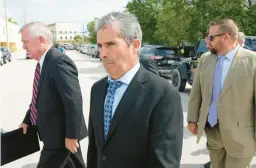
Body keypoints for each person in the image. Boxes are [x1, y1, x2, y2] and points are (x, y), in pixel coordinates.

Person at [87, 11, 183, 168]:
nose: (102, 54)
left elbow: (164, 163)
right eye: (99, 46)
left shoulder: (163, 94)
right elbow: (95, 149)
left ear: (135, 45)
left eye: (110, 44)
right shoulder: (97, 90)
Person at [187, 19, 256, 168]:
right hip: (213, 133)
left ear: (226, 37)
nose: (208, 41)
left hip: (241, 137)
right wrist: (192, 119)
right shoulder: (206, 59)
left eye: (211, 37)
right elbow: (196, 92)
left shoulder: (252, 61)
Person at [19, 22, 87, 168]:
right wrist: (27, 120)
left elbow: (73, 100)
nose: (23, 47)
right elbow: (38, 98)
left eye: (25, 42)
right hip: (55, 138)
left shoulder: (58, 61)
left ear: (41, 40)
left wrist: (71, 135)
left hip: (61, 139)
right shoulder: (44, 63)